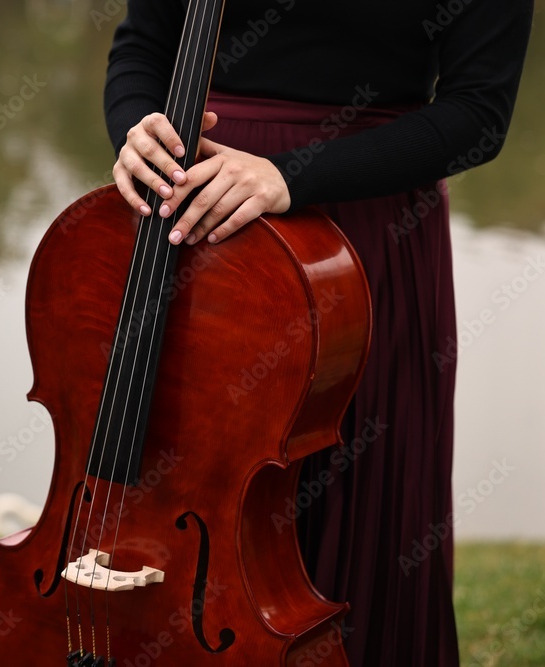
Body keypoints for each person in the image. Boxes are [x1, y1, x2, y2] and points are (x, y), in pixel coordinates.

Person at [103, 1, 534, 665]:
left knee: (350, 492)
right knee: (180, 478)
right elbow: (141, 48)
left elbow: (477, 113)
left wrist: (287, 177)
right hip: (195, 222)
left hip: (361, 234)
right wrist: (135, 130)